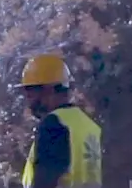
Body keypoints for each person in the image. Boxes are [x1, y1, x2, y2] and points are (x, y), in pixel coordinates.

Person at [18, 52, 103, 188]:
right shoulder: (89, 126)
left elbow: (45, 181)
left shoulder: (53, 124)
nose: (29, 101)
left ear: (49, 90)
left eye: (30, 92)